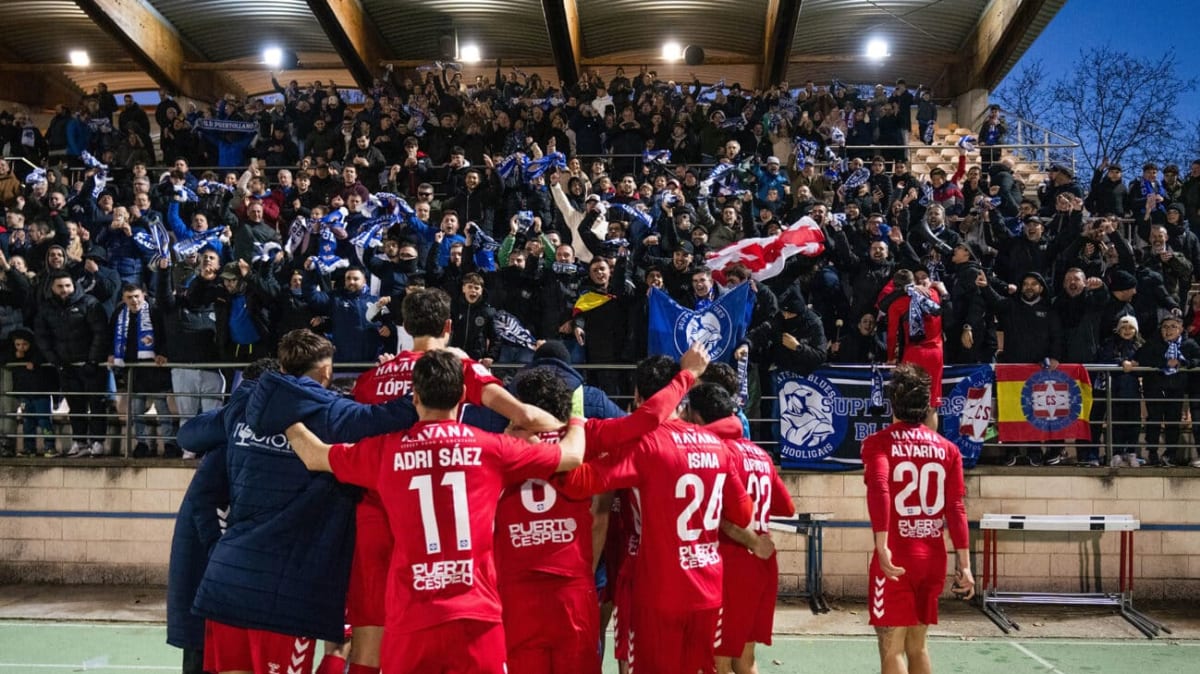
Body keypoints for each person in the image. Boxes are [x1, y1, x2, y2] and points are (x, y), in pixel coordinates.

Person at [283, 350, 587, 674]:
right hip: (475, 617)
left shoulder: (386, 451)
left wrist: (284, 413)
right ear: (462, 397)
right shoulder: (490, 449)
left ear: (414, 397)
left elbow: (314, 455)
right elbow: (571, 455)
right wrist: (578, 414)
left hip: (412, 620)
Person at [191, 330, 418, 674]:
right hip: (285, 591)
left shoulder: (242, 408)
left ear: (283, 366)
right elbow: (397, 414)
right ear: (326, 372)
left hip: (227, 577)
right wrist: (414, 374)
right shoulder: (333, 415)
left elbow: (188, 434)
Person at [498, 343, 709, 674]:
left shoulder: (496, 446)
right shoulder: (583, 435)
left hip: (516, 590)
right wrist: (688, 375)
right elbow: (648, 418)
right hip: (570, 585)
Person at [552, 354, 753, 674]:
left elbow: (578, 484)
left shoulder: (644, 444)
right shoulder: (716, 443)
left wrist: (572, 434)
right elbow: (743, 514)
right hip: (709, 588)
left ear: (636, 396)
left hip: (657, 589)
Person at [168, 357, 280, 674]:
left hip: (218, 574)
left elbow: (188, 435)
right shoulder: (234, 437)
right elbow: (205, 496)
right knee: (206, 652)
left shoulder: (232, 428)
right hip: (215, 573)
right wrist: (219, 549)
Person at [863, 363, 973, 674]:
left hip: (897, 555)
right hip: (932, 556)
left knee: (891, 646)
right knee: (918, 645)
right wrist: (964, 563)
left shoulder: (879, 443)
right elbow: (955, 507)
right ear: (926, 406)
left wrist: (881, 545)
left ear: (892, 404)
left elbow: (881, 488)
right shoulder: (948, 450)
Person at [682, 382, 794, 674]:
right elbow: (786, 507)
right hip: (762, 566)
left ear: (697, 418)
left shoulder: (715, 452)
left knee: (716, 662)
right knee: (745, 659)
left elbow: (714, 512)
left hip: (730, 565)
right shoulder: (759, 453)